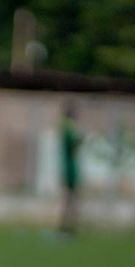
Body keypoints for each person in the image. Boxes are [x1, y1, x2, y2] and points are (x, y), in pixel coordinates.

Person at [58, 100, 83, 236]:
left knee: (69, 199)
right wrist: (80, 140)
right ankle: (67, 228)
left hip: (70, 168)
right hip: (70, 169)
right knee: (70, 199)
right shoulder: (68, 126)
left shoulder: (67, 125)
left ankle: (68, 227)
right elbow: (72, 146)